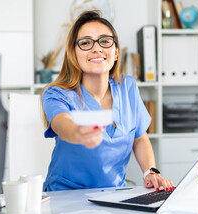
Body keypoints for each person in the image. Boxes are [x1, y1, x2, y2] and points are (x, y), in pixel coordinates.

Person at [41, 10, 174, 192]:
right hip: (65, 196)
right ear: (74, 53)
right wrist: (78, 132)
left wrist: (151, 172)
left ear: (116, 52)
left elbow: (140, 138)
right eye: (86, 42)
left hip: (113, 196)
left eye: (104, 41)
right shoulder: (56, 93)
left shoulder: (128, 87)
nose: (97, 48)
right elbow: (60, 124)